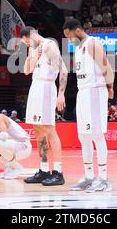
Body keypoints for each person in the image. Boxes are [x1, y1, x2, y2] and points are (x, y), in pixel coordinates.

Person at [63, 19, 114, 192]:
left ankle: (104, 178)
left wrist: (110, 86)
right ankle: (89, 176)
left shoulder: (93, 43)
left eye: (69, 36)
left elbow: (106, 66)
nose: (69, 40)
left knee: (97, 134)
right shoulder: (78, 49)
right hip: (83, 92)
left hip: (95, 91)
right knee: (83, 135)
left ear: (77, 30)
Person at [20, 27, 67, 186]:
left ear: (32, 35)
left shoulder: (49, 45)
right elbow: (26, 71)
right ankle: (44, 169)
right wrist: (31, 56)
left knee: (49, 129)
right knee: (37, 130)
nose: (27, 45)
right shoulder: (33, 49)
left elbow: (64, 70)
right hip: (35, 87)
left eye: (27, 41)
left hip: (47, 87)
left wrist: (61, 94)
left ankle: (59, 172)